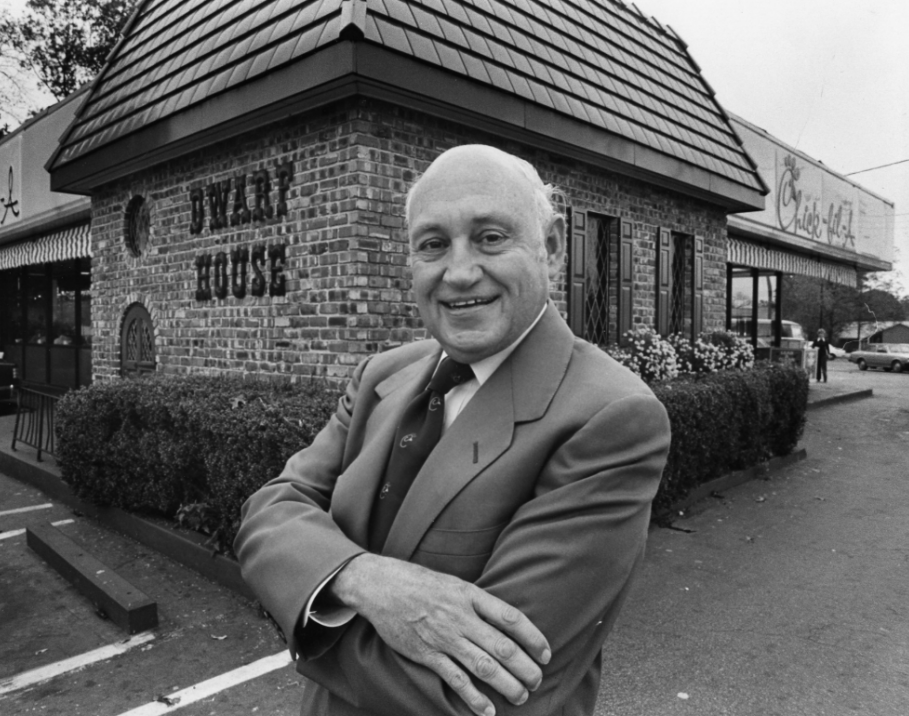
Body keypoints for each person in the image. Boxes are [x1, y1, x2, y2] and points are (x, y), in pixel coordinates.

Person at [236, 145, 672, 716]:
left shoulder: (611, 418)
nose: (460, 272)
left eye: (490, 237)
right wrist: (360, 577)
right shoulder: (380, 376)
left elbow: (479, 693)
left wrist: (306, 609)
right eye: (433, 244)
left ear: (552, 247)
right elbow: (268, 510)